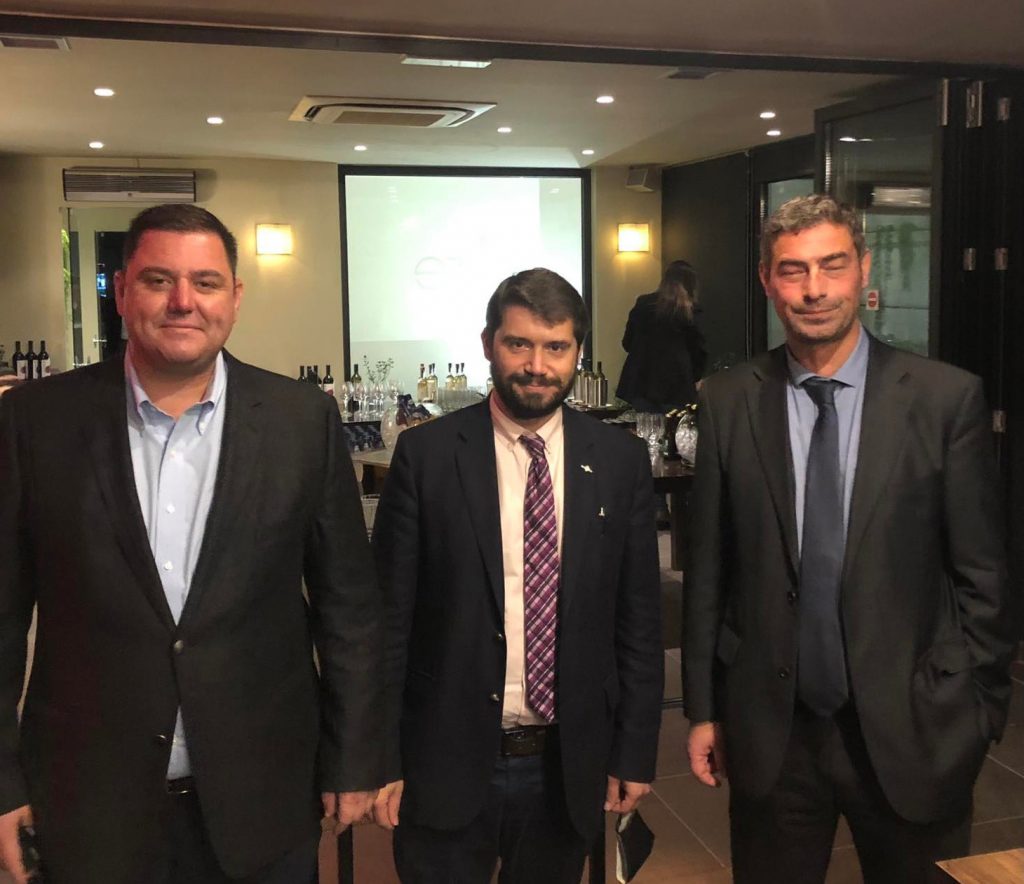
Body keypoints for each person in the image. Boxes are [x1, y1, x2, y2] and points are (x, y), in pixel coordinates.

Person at [0, 204, 384, 884]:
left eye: (205, 282)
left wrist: (353, 757)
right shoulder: (35, 420)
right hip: (90, 804)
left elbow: (348, 607)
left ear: (234, 297)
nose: (184, 301)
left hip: (263, 799)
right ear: (122, 292)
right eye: (158, 280)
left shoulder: (301, 421)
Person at [684, 194, 1015, 883]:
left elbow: (982, 574)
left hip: (914, 726)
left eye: (832, 265)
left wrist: (976, 711)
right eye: (793, 270)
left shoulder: (944, 399)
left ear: (864, 269)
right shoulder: (726, 400)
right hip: (773, 732)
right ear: (767, 280)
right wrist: (704, 710)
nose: (814, 289)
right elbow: (709, 571)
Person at [371, 268, 663, 883]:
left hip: (566, 764)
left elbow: (637, 621)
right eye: (518, 344)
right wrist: (380, 757)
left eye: (556, 347)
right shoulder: (426, 457)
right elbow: (389, 623)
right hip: (444, 755)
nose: (537, 366)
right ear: (488, 344)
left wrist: (635, 750)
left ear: (578, 351)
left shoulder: (620, 461)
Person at [616, 259, 707, 412]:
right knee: (675, 426)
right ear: (691, 284)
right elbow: (699, 354)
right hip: (677, 387)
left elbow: (627, 343)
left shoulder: (643, 304)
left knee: (643, 425)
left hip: (641, 384)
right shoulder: (692, 312)